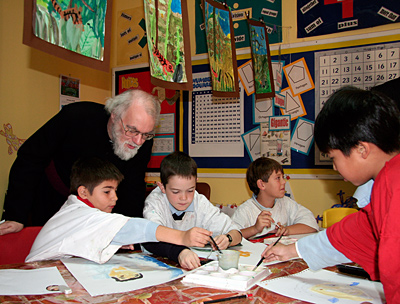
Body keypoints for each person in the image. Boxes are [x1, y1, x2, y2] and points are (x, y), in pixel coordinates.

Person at [261, 86, 400, 302]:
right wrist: (292, 250)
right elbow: (354, 233)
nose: (334, 168)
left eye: (333, 158)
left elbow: (394, 269)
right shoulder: (385, 180)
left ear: (361, 150)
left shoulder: (393, 186)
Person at [1, 89, 160, 236]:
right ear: (114, 114)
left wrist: (127, 230)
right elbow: (30, 158)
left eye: (146, 134)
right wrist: (15, 215)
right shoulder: (77, 116)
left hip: (102, 211)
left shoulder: (143, 142)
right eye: (132, 130)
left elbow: (132, 188)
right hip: (52, 200)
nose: (138, 141)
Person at [26, 157, 212, 264]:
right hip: (41, 276)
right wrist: (182, 237)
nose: (115, 197)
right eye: (107, 191)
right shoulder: (82, 214)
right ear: (83, 191)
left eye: (115, 190)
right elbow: (136, 227)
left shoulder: (74, 207)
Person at [142, 151, 242, 270]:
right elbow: (150, 238)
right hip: (157, 266)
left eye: (190, 190)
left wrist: (228, 239)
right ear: (162, 187)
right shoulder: (155, 202)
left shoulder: (200, 201)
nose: (184, 198)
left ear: (196, 183)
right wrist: (180, 252)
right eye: (175, 191)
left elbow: (237, 232)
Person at [231, 157, 319, 239]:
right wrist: (255, 229)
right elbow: (230, 236)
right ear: (261, 184)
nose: (284, 182)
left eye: (283, 177)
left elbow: (311, 224)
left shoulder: (285, 203)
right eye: (278, 178)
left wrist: (287, 230)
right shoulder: (245, 210)